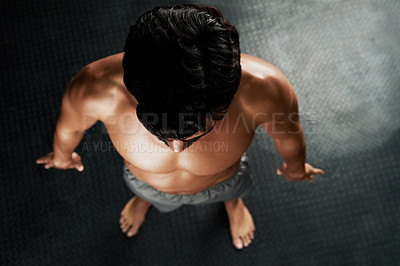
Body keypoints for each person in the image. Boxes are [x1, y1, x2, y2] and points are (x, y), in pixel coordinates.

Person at [36, 4, 324, 250]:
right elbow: (69, 129)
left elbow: (289, 135)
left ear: (227, 99)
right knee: (149, 193)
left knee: (233, 191)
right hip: (147, 183)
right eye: (161, 134)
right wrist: (62, 156)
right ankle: (143, 200)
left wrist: (295, 167)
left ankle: (232, 205)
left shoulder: (265, 90)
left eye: (193, 136)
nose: (176, 148)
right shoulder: (94, 89)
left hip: (225, 180)